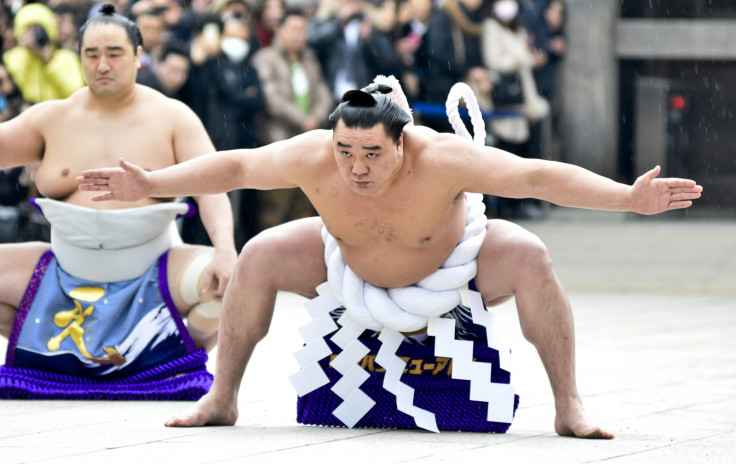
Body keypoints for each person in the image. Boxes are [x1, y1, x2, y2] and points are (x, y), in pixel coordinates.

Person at [77, 80, 702, 437]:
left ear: (403, 143)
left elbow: (536, 176)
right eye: (346, 151)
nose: (356, 168)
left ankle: (568, 405)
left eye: (372, 154)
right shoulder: (316, 155)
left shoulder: (445, 158)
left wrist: (627, 199)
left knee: (532, 255)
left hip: (455, 266)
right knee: (263, 252)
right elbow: (238, 166)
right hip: (347, 261)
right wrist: (153, 183)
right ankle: (223, 397)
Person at [0, 4, 237, 397]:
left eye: (114, 53)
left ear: (139, 56)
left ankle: (163, 360)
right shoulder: (50, 118)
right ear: (79, 58)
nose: (102, 64)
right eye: (91, 54)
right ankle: (63, 357)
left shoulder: (174, 117)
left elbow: (212, 186)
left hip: (154, 266)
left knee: (227, 280)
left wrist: (226, 249)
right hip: (63, 267)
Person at [251, 8, 331, 231]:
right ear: (279, 30)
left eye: (303, 30)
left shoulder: (310, 58)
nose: (299, 35)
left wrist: (316, 116)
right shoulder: (265, 58)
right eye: (294, 29)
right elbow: (272, 97)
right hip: (279, 142)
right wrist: (302, 119)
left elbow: (323, 91)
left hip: (309, 146)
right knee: (273, 210)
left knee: (304, 211)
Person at [3, 2, 86, 103]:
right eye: (28, 30)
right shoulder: (12, 58)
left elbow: (76, 93)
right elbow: (11, 90)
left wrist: (48, 59)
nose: (34, 36)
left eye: (38, 30)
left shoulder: (66, 58)